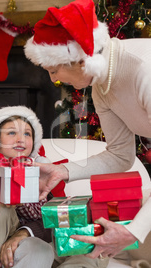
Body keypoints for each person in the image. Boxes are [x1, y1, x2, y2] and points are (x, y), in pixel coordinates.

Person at [24, 0, 151, 260]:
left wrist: (135, 231)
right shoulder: (102, 84)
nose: (54, 79)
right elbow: (119, 155)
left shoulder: (144, 71)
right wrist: (63, 171)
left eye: (54, 69)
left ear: (79, 59)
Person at [0, 106, 54, 268]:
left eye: (27, 133)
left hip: (29, 230)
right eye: (12, 133)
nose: (21, 139)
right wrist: (5, 194)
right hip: (0, 227)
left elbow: (39, 214)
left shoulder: (37, 169)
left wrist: (21, 198)